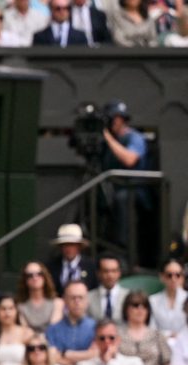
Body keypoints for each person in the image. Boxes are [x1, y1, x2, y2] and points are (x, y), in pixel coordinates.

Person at [100, 101, 149, 249]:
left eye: (118, 118)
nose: (115, 121)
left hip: (135, 190)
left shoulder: (135, 137)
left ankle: (124, 248)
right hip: (113, 188)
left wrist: (108, 138)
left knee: (122, 198)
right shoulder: (109, 142)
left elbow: (130, 159)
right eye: (113, 118)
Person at [47, 281, 96, 365]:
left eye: (81, 297)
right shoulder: (53, 330)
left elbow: (95, 354)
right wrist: (85, 356)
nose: (77, 301)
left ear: (87, 300)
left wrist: (64, 354)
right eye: (73, 298)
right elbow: (51, 357)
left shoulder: (96, 328)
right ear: (65, 300)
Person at [118, 291, 170, 365]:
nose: (140, 309)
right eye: (136, 305)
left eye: (145, 306)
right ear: (126, 309)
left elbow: (168, 362)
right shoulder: (117, 335)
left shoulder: (157, 335)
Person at [47, 224, 97, 293]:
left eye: (72, 245)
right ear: (60, 247)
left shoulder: (91, 266)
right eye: (65, 245)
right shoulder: (51, 267)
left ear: (79, 246)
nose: (69, 249)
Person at [16, 261, 64, 334]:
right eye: (30, 275)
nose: (35, 278)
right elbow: (24, 331)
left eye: (39, 274)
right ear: (25, 280)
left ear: (45, 277)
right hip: (29, 343)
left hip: (52, 343)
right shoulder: (19, 305)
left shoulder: (57, 303)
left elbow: (54, 329)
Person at [148, 258, 187, 338]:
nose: (173, 279)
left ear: (182, 277)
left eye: (178, 275)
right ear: (162, 277)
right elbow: (150, 329)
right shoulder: (152, 300)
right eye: (169, 275)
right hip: (160, 345)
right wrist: (168, 334)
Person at [87, 255, 128, 323]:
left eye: (114, 271)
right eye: (106, 271)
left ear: (119, 273)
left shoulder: (128, 296)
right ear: (98, 273)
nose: (110, 275)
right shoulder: (88, 297)